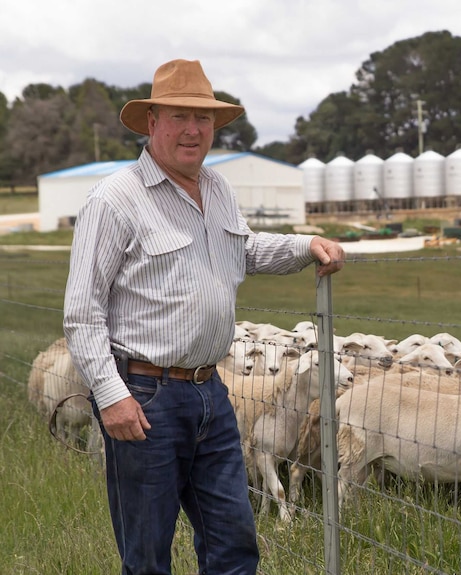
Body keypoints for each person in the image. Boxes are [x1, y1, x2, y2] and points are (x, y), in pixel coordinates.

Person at [63, 59, 345, 575]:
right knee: (147, 553)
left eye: (204, 118)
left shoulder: (217, 190)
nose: (193, 129)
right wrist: (111, 396)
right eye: (179, 116)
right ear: (152, 123)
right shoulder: (114, 200)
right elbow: (82, 314)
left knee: (233, 543)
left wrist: (307, 245)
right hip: (145, 399)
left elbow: (247, 250)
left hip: (211, 393)